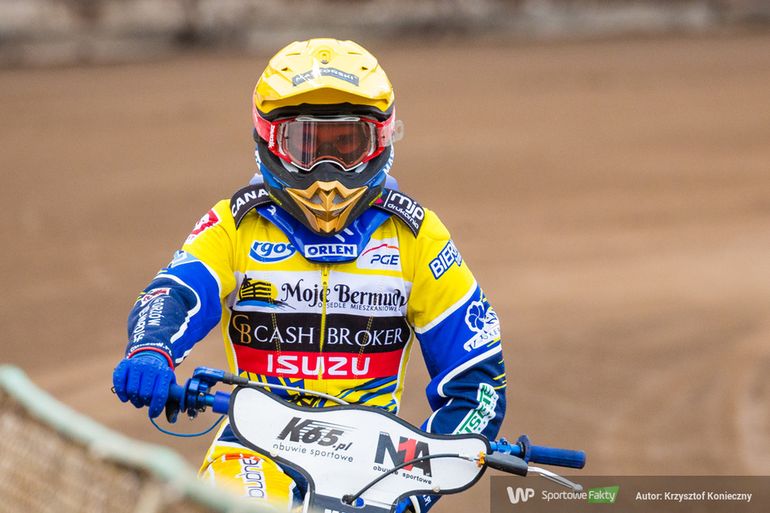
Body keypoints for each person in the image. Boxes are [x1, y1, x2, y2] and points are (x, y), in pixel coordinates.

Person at [112, 38, 506, 513]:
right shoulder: (236, 223)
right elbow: (174, 291)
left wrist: (417, 483)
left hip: (372, 464)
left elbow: (477, 377)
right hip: (252, 448)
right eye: (305, 145)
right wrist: (151, 349)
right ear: (269, 140)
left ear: (380, 140)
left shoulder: (417, 235)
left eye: (347, 145)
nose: (326, 170)